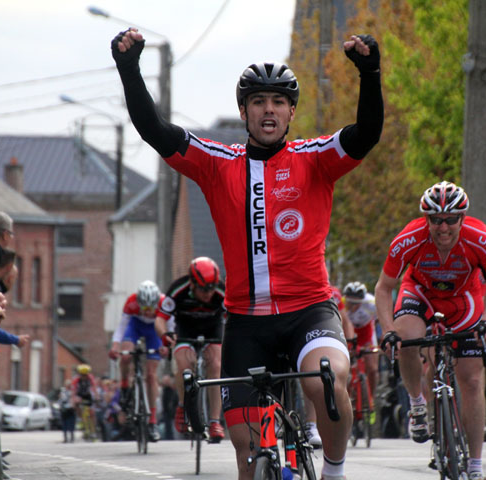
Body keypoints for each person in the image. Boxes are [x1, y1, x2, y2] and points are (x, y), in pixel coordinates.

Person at [111, 24, 383, 480]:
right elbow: (155, 130)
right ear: (244, 111)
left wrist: (370, 73)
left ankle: (333, 472)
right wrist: (129, 68)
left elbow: (367, 132)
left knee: (328, 377)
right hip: (246, 323)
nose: (269, 109)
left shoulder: (315, 158)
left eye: (278, 101)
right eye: (258, 101)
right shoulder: (218, 164)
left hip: (309, 311)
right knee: (249, 454)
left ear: (292, 111)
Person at [375, 181, 486, 480]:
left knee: (471, 380)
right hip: (419, 292)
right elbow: (384, 287)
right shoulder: (409, 238)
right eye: (435, 220)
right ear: (426, 219)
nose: (443, 228)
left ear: (462, 218)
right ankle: (418, 405)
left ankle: (474, 466)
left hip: (464, 299)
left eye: (450, 220)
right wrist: (388, 330)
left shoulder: (480, 238)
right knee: (407, 338)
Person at [154, 256, 226, 442]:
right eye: (203, 289)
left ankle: (215, 421)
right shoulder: (178, 289)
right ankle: (182, 404)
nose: (208, 294)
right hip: (186, 329)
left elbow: (234, 316)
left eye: (211, 288)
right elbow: (160, 319)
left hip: (212, 328)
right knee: (185, 364)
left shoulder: (221, 290)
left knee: (215, 365)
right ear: (192, 284)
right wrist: (165, 335)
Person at [109, 280, 165, 442]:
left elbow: (170, 327)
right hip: (135, 326)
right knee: (126, 355)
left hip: (155, 328)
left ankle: (152, 421)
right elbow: (121, 327)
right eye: (144, 308)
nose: (147, 311)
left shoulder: (163, 303)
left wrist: (167, 345)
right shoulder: (131, 302)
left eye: (151, 308)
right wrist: (114, 346)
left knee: (151, 375)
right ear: (139, 302)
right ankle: (125, 384)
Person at [340, 281, 379, 423]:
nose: (354, 305)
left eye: (358, 302)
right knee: (346, 371)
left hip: (366, 333)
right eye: (351, 302)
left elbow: (379, 322)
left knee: (373, 369)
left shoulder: (372, 303)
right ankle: (346, 398)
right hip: (348, 334)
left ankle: (371, 400)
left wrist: (381, 342)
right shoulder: (341, 303)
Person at [59, 379, 76, 443]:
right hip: (65, 410)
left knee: (71, 424)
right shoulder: (63, 392)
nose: (69, 386)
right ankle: (65, 438)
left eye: (69, 385)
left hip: (71, 409)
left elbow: (73, 400)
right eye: (68, 385)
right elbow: (62, 400)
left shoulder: (72, 391)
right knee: (65, 424)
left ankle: (71, 437)